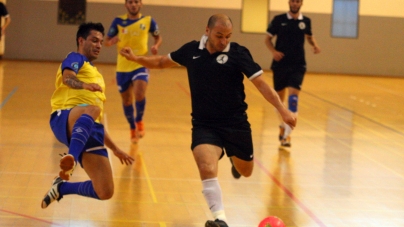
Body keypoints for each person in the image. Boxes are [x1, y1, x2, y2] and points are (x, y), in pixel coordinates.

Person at [120, 14, 296, 227]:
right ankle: (220, 219)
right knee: (205, 165)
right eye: (219, 35)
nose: (224, 41)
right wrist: (136, 59)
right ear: (207, 31)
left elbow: (261, 85)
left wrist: (282, 110)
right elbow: (161, 61)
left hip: (236, 124)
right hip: (205, 124)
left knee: (246, 171)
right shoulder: (191, 51)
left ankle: (232, 158)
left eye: (228, 36)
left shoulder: (238, 53)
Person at [41, 22, 134, 209]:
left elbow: (94, 121)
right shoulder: (76, 58)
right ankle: (72, 159)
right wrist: (84, 85)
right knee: (92, 109)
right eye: (94, 40)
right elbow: (68, 78)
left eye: (101, 41)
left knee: (105, 191)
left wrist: (115, 149)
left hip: (86, 128)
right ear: (81, 40)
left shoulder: (97, 75)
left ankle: (62, 188)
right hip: (64, 117)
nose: (99, 45)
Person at [104, 0, 162, 144]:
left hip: (140, 63)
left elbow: (158, 37)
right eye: (130, 2)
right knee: (127, 100)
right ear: (126, 5)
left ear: (141, 4)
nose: (133, 4)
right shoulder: (118, 21)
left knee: (139, 93)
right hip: (123, 67)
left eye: (136, 2)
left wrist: (156, 45)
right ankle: (132, 128)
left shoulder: (148, 21)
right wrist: (112, 41)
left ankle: (139, 121)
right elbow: (106, 41)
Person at [264, 0, 320, 148]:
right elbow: (267, 39)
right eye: (293, 1)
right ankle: (282, 125)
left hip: (298, 65)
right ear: (289, 2)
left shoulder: (306, 21)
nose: (295, 4)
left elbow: (309, 36)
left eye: (298, 2)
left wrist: (314, 45)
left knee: (293, 99)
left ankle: (287, 136)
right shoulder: (279, 20)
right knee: (279, 102)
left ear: (301, 3)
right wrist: (274, 52)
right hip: (280, 64)